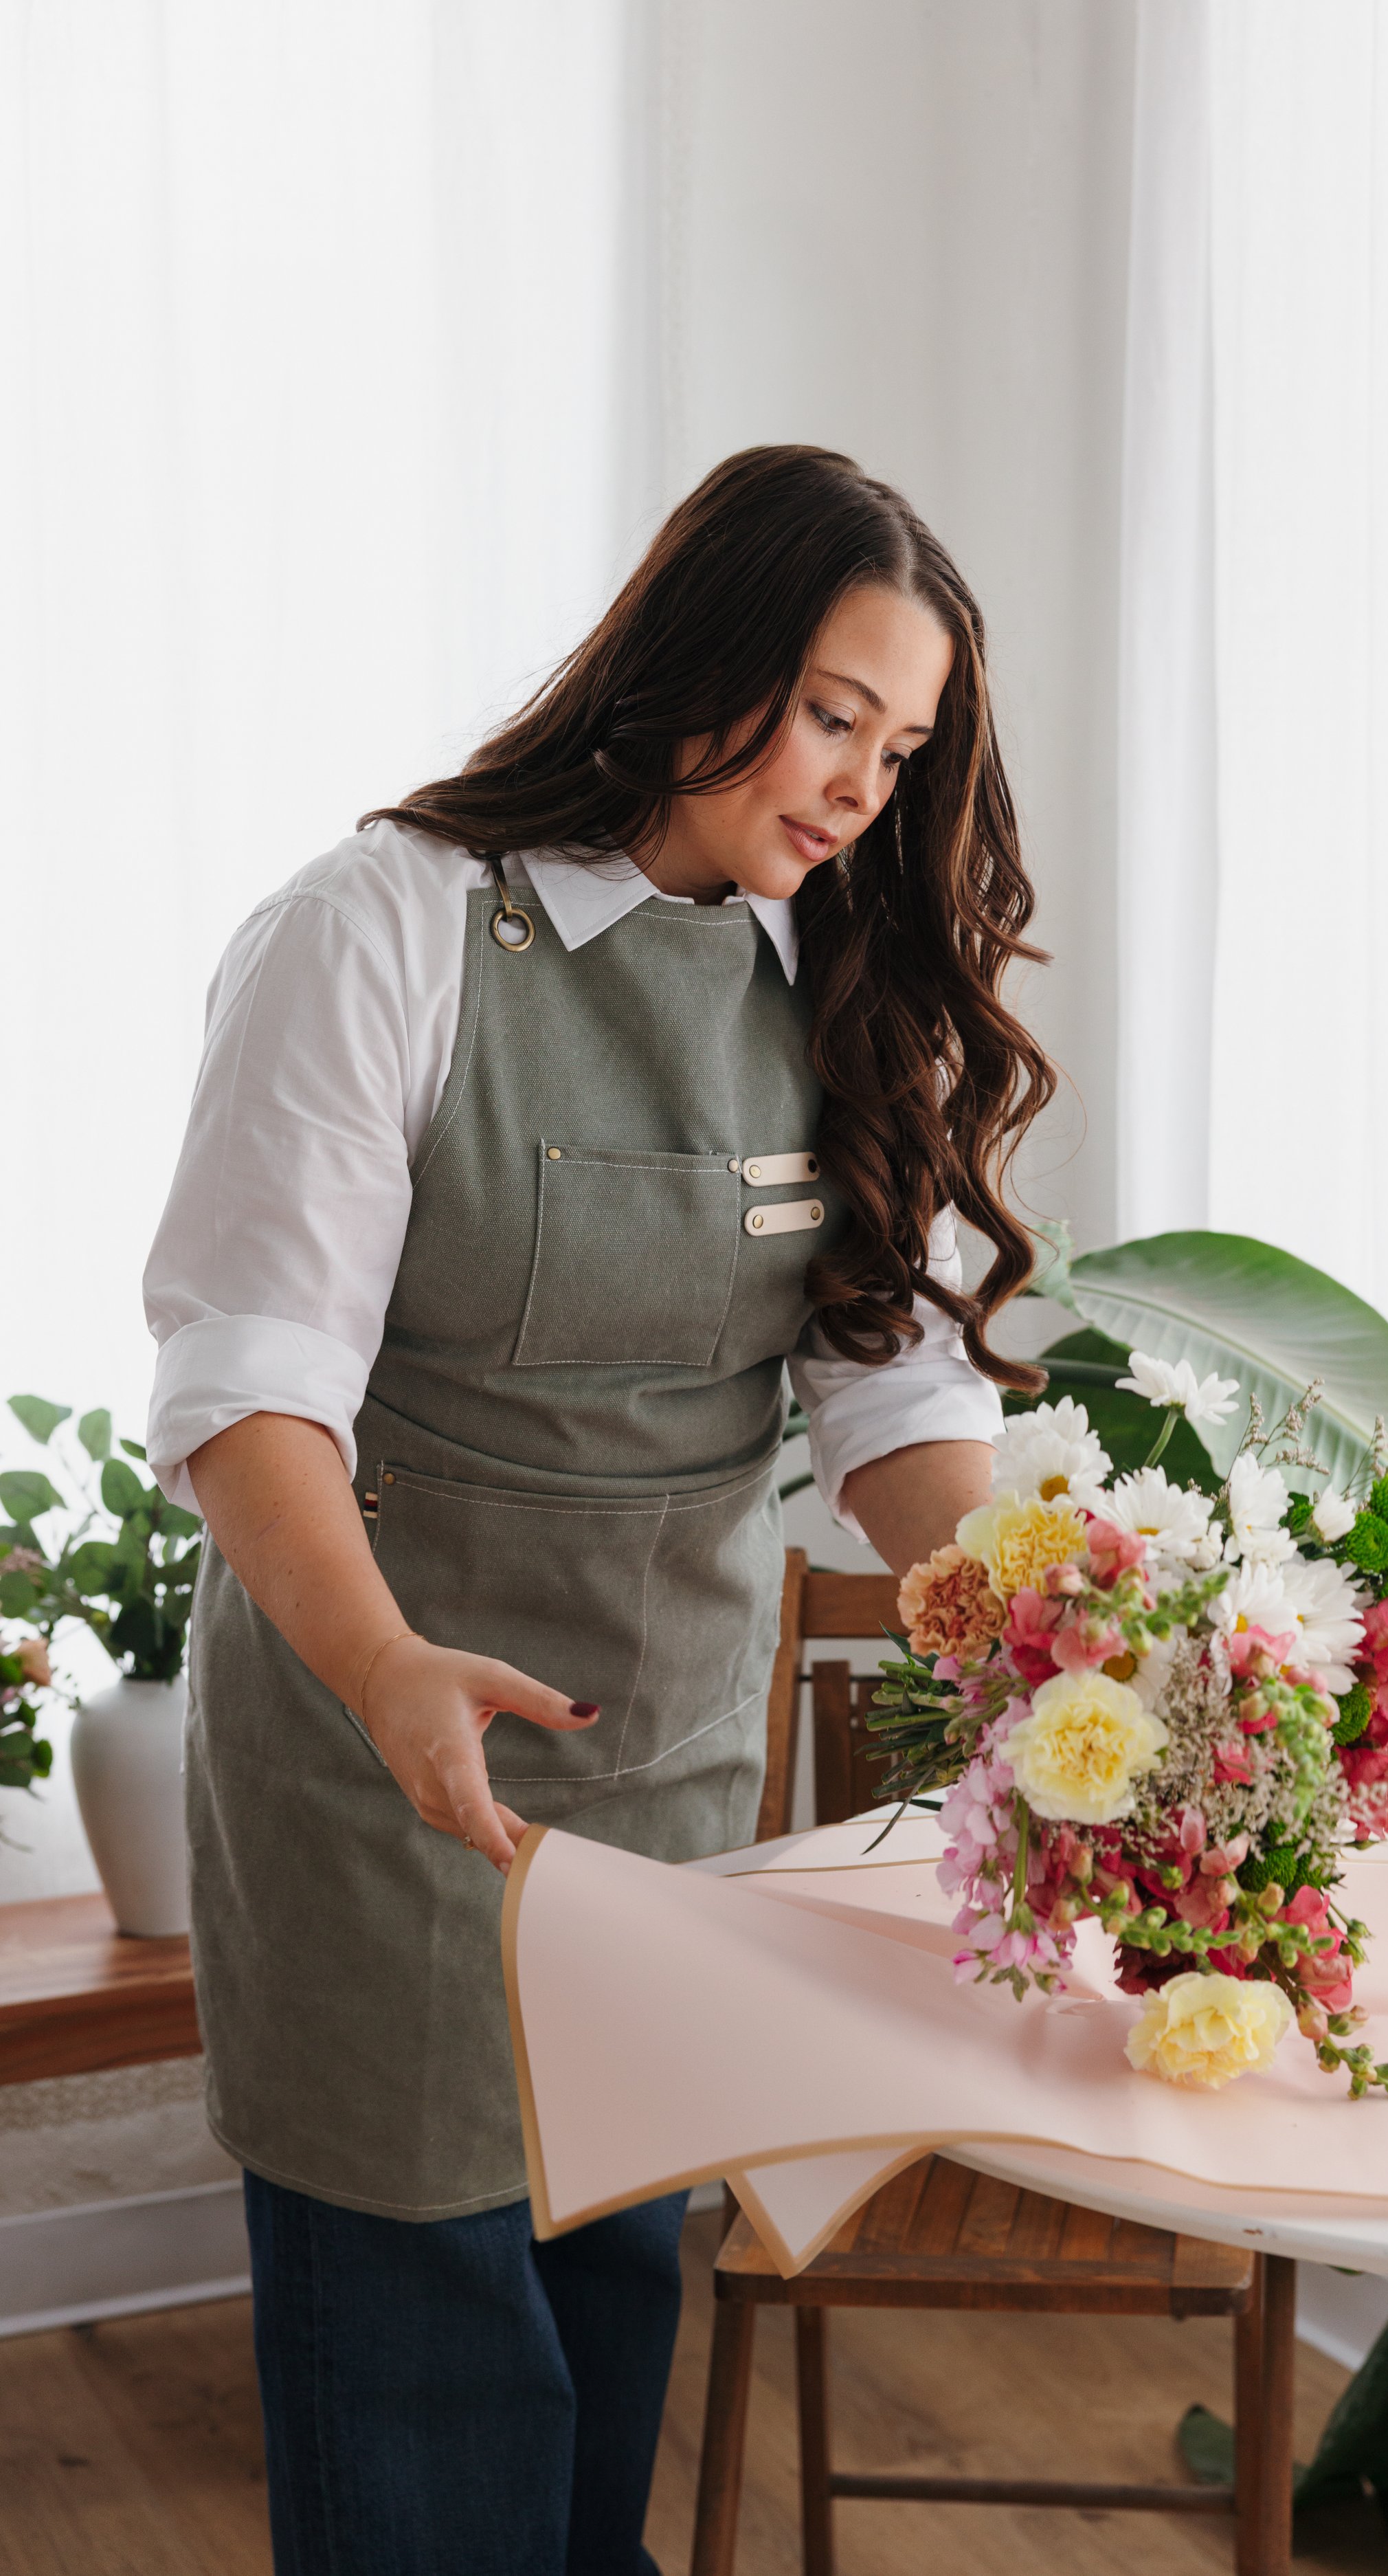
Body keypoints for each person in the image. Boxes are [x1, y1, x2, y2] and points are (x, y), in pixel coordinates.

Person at [144, 444, 1053, 2575]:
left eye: (899, 748)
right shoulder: (372, 931)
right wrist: (378, 1664)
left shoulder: (820, 981)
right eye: (833, 711)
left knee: (593, 2385)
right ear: (698, 652)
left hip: (654, 1795)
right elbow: (245, 1382)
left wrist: (1038, 1638)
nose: (856, 787)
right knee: (431, 2438)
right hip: (387, 1788)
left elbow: (885, 1385)